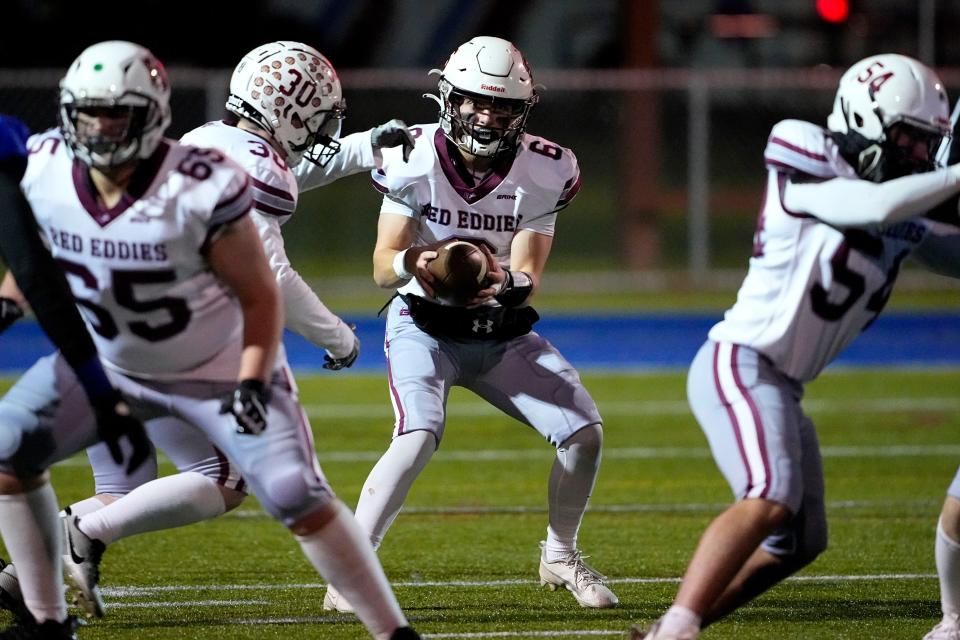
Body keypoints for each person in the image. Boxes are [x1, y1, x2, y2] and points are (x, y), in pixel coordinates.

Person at [0, 40, 418, 640]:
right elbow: (268, 277)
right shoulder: (197, 173)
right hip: (188, 354)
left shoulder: (201, 145)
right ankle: (64, 571)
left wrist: (365, 145)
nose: (105, 130)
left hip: (108, 346)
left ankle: (28, 578)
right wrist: (337, 338)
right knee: (235, 481)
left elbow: (286, 168)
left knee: (114, 487)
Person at [632, 53, 960, 640]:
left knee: (799, 542)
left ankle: (673, 626)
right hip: (741, 360)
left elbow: (938, 239)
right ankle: (679, 631)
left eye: (927, 147)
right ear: (865, 117)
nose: (918, 158)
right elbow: (873, 206)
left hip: (782, 383)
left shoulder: (907, 204)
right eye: (910, 142)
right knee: (770, 497)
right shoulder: (803, 146)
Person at [323, 35, 618, 613]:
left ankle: (559, 556)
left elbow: (529, 274)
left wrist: (495, 280)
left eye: (504, 106)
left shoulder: (545, 167)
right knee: (416, 436)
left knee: (584, 434)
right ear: (448, 99)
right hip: (423, 327)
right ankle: (351, 571)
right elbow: (384, 267)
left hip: (498, 330)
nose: (489, 115)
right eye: (477, 102)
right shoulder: (411, 153)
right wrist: (424, 263)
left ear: (522, 111)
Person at [0, 113, 150, 635]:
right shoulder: (25, 153)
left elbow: (32, 264)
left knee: (15, 454)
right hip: (144, 352)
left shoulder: (29, 155)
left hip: (116, 345)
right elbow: (34, 269)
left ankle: (38, 607)